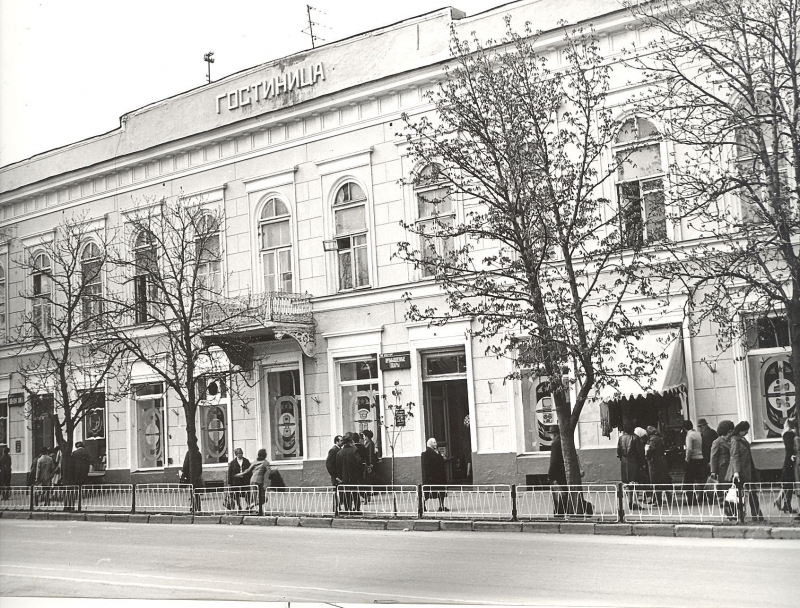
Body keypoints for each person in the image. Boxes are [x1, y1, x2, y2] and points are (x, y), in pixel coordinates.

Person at [727, 420, 763, 521]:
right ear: (740, 430)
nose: (747, 432)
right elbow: (734, 456)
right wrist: (736, 472)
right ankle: (739, 516)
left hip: (747, 470)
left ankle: (756, 515)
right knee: (739, 495)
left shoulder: (741, 439)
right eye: (746, 430)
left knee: (752, 492)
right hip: (741, 472)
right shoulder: (735, 440)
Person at [336, 433, 365, 514]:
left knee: (346, 493)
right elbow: (359, 462)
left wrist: (340, 477)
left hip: (344, 477)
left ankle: (347, 508)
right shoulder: (354, 450)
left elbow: (338, 467)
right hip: (354, 476)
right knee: (355, 493)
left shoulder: (339, 453)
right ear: (350, 442)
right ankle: (357, 509)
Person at [617, 421, 644, 508]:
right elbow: (639, 452)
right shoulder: (635, 438)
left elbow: (618, 452)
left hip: (624, 463)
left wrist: (623, 459)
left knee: (628, 483)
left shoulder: (621, 438)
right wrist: (642, 462)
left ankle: (629, 501)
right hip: (634, 462)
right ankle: (635, 502)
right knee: (635, 482)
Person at [775, 417, 797, 514]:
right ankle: (784, 502)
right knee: (789, 482)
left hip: (789, 459)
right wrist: (793, 455)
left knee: (788, 483)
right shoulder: (789, 434)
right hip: (791, 460)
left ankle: (784, 503)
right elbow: (789, 447)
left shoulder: (786, 433)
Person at [645, 426, 671, 505]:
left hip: (654, 462)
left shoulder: (652, 439)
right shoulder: (660, 438)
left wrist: (647, 455)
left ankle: (658, 500)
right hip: (661, 460)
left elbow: (650, 449)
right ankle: (668, 497)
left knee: (655, 481)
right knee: (664, 480)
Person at [239, 448, 270, 515]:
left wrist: (240, 474)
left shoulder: (255, 461)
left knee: (254, 495)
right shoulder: (265, 462)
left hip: (253, 480)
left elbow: (248, 470)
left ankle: (253, 507)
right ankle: (254, 507)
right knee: (262, 497)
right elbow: (269, 471)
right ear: (265, 455)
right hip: (260, 481)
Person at [421, 437, 448, 512]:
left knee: (441, 491)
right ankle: (422, 506)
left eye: (436, 442)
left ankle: (441, 506)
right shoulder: (427, 453)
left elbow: (439, 462)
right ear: (430, 444)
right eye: (434, 443)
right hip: (432, 477)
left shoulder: (437, 452)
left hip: (439, 476)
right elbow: (427, 465)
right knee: (428, 493)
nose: (436, 444)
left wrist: (443, 459)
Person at [683, 420, 706, 486]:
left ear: (684, 428)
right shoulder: (698, 434)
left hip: (693, 459)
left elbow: (689, 449)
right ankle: (703, 495)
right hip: (700, 458)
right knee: (701, 480)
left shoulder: (689, 436)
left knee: (688, 481)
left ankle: (690, 496)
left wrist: (686, 460)